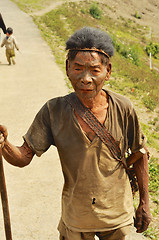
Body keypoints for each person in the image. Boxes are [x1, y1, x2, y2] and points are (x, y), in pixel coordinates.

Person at [0, 27, 151, 240]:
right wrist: (4, 143)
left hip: (117, 216)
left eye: (95, 70)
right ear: (67, 68)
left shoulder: (123, 108)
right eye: (78, 68)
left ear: (108, 72)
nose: (86, 78)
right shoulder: (53, 111)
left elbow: (140, 153)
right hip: (76, 218)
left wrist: (145, 203)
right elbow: (23, 157)